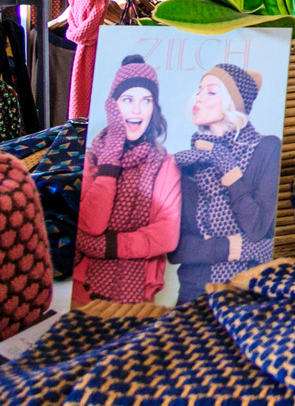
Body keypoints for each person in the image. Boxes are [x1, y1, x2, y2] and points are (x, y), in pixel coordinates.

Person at [76, 53, 182, 305]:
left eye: (146, 100)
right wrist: (111, 157)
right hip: (82, 288)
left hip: (137, 296)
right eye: (128, 99)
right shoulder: (91, 159)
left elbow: (166, 235)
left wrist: (109, 246)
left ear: (153, 108)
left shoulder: (167, 165)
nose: (137, 109)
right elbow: (92, 224)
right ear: (113, 107)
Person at [170, 62, 279, 299]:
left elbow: (258, 229)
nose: (198, 98)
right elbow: (177, 249)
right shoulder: (187, 163)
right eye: (199, 90)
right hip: (192, 292)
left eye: (210, 91)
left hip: (246, 289)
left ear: (234, 103)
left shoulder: (266, 149)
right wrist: (234, 247)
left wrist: (227, 167)